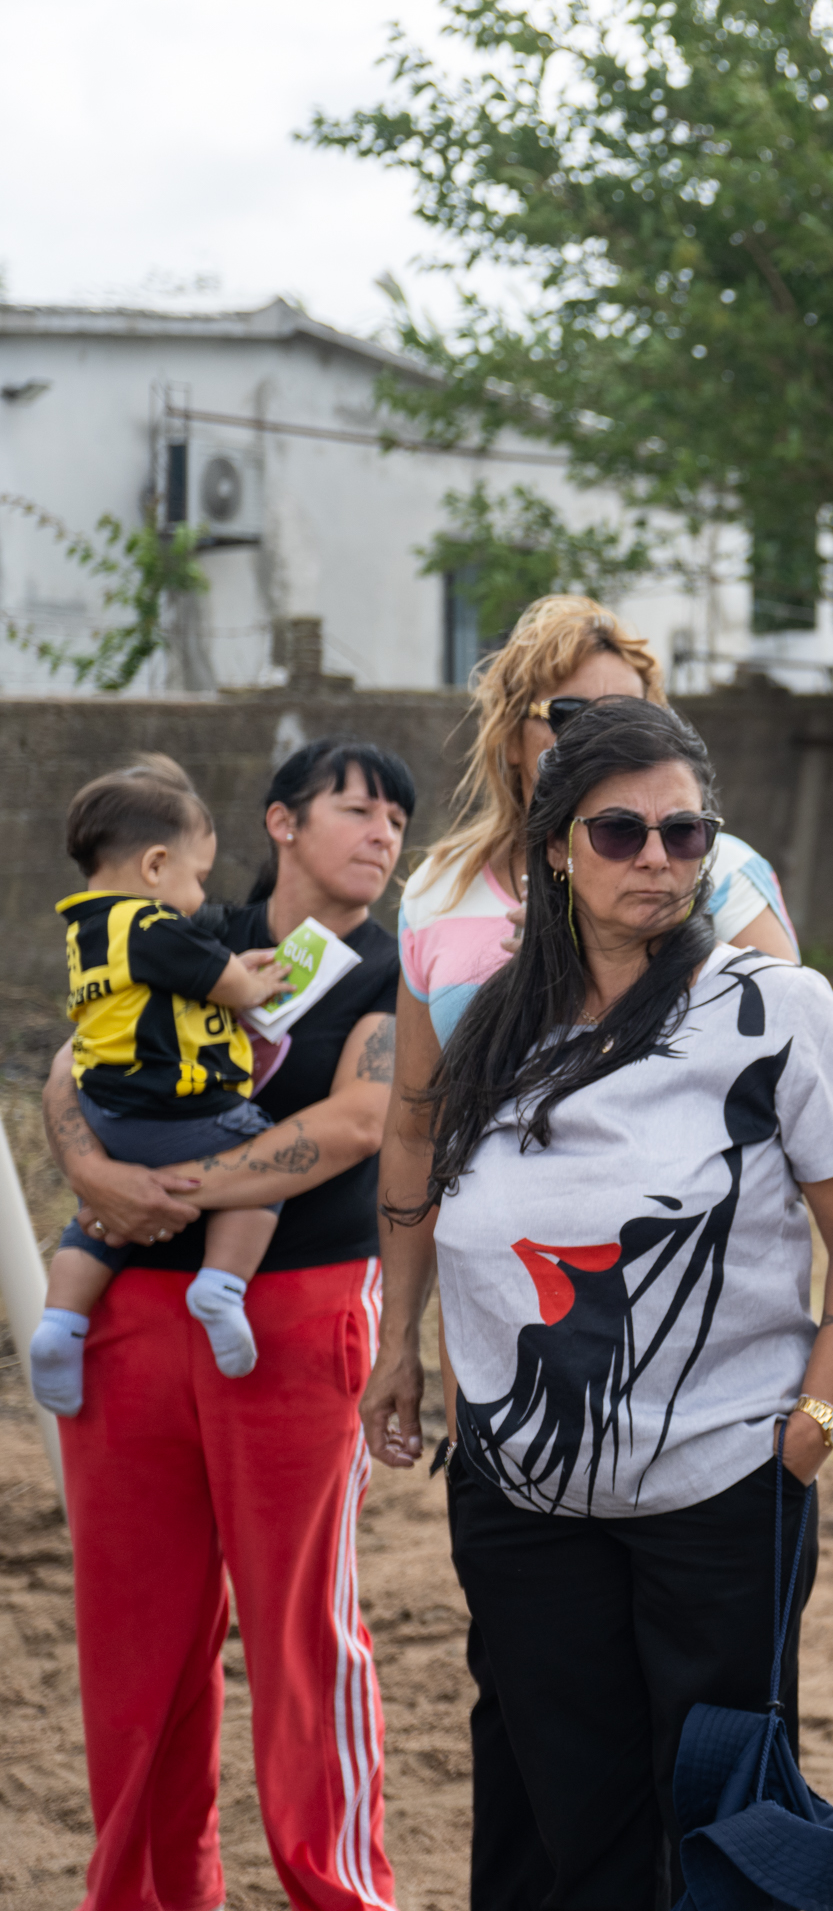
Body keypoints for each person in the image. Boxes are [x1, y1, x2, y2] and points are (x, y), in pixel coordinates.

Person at [359, 699, 833, 1909]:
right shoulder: (494, 1019)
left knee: (721, 1816)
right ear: (556, 849)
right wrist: (401, 1339)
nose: (656, 857)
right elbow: (427, 1174)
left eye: (684, 832)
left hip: (722, 1490)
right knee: (572, 1815)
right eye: (620, 831)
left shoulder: (773, 1008)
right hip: (521, 1494)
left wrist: (815, 1426)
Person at [43, 736, 419, 1911]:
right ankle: (147, 1893)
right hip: (134, 1314)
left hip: (298, 1309)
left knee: (301, 1629)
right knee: (135, 1632)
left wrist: (175, 1188)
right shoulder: (189, 923)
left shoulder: (392, 973)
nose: (382, 833)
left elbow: (360, 1121)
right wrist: (90, 1172)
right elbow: (69, 1065)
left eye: (397, 821)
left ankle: (337, 1890)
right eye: (357, 808)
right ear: (281, 821)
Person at [397, 593, 797, 1047]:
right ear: (509, 737)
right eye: (569, 715)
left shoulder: (723, 870)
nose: (602, 740)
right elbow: (417, 1092)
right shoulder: (438, 889)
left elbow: (784, 1054)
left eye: (626, 716)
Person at [33, 759, 290, 1410]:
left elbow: (179, 983)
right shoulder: (150, 924)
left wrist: (228, 972)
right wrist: (252, 982)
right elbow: (226, 980)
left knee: (99, 1221)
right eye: (197, 879)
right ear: (154, 867)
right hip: (173, 1111)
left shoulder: (91, 930)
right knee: (266, 1159)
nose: (201, 897)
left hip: (105, 1110)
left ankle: (59, 1325)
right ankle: (221, 1286)